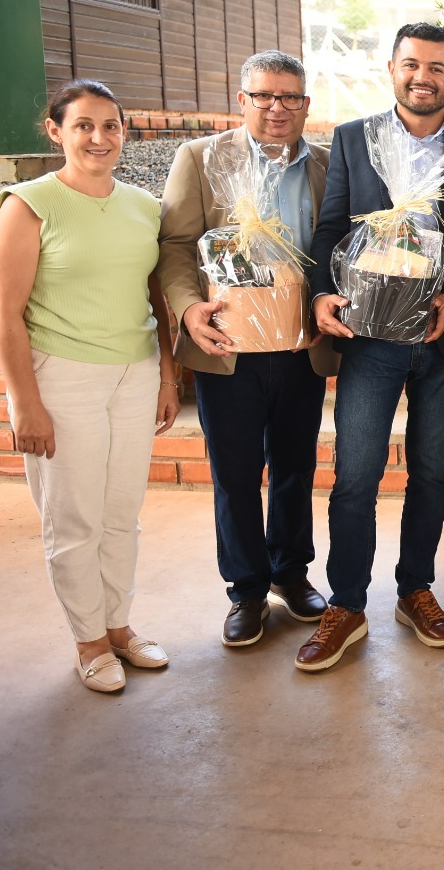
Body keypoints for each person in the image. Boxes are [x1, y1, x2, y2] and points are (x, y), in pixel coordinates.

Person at [297, 22, 444, 672]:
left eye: (437, 67)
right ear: (391, 69)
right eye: (411, 64)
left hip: (441, 342)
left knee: (432, 473)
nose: (423, 77)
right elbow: (332, 227)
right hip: (368, 337)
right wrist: (321, 293)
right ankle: (347, 603)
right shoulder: (353, 139)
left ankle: (416, 589)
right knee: (356, 475)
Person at [0, 80, 181, 693]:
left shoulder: (143, 206)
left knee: (122, 514)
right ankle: (89, 642)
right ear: (56, 131)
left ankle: (119, 627)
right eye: (84, 126)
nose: (100, 138)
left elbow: (154, 296)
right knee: (74, 520)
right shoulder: (28, 204)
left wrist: (167, 373)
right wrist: (25, 402)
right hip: (62, 376)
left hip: (135, 373)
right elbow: (3, 313)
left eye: (111, 126)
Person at [159, 50, 335, 648]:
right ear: (242, 100)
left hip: (302, 347)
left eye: (289, 97)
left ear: (306, 105)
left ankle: (290, 572)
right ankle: (247, 589)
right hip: (227, 345)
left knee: (295, 466)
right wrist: (188, 308)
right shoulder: (201, 159)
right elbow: (176, 245)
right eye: (263, 96)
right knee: (234, 473)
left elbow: (338, 246)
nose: (276, 108)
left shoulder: (327, 165)